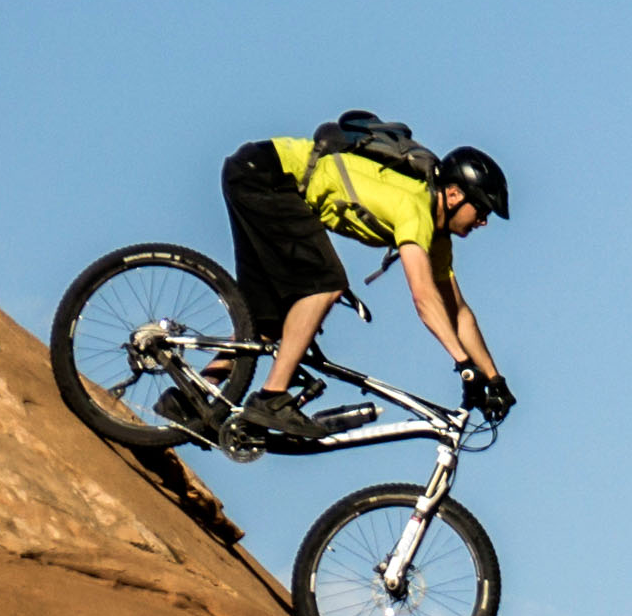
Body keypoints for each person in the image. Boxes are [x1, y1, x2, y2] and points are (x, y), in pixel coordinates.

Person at [216, 123, 514, 450]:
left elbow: (458, 313)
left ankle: (196, 397)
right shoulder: (415, 208)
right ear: (454, 194)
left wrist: (494, 379)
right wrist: (463, 363)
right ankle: (271, 398)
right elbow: (425, 299)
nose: (483, 220)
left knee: (268, 324)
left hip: (256, 173)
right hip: (269, 174)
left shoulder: (438, 240)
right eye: (482, 209)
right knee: (324, 285)